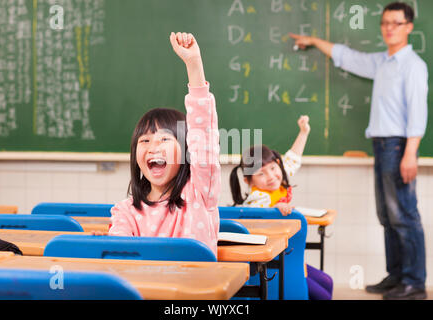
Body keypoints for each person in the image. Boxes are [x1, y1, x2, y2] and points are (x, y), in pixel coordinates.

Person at [290, 2, 428, 300]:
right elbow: (347, 56)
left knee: (404, 214)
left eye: (396, 22)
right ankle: (396, 276)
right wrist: (314, 41)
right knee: (387, 215)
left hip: (399, 145)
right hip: (381, 146)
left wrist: (410, 153)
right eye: (385, 23)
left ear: (409, 27)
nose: (389, 28)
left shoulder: (413, 66)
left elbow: (418, 113)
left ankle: (414, 282)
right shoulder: (382, 61)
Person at [107, 32, 220, 257]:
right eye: (145, 140)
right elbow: (119, 255)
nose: (153, 147)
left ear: (187, 151)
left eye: (165, 139)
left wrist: (194, 64)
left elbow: (203, 135)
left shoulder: (198, 193)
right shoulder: (126, 211)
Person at [229, 118, 334, 300]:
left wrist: (303, 132)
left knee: (327, 281)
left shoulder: (278, 179)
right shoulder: (258, 197)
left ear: (278, 163)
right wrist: (275, 210)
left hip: (289, 259)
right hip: (273, 263)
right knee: (322, 294)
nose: (271, 176)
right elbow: (259, 215)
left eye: (272, 167)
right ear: (248, 181)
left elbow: (293, 159)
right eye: (261, 173)